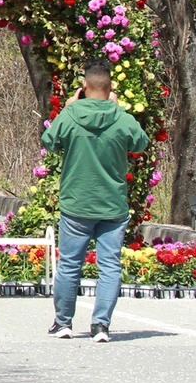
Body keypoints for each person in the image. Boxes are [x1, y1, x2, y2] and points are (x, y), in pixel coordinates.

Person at [45, 61, 151, 341]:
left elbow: (49, 141)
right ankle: (101, 325)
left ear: (84, 86)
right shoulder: (121, 118)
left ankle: (63, 322)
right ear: (111, 87)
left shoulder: (71, 115)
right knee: (110, 266)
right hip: (112, 205)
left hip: (77, 202)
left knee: (70, 264)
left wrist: (69, 107)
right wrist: (117, 108)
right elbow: (140, 143)